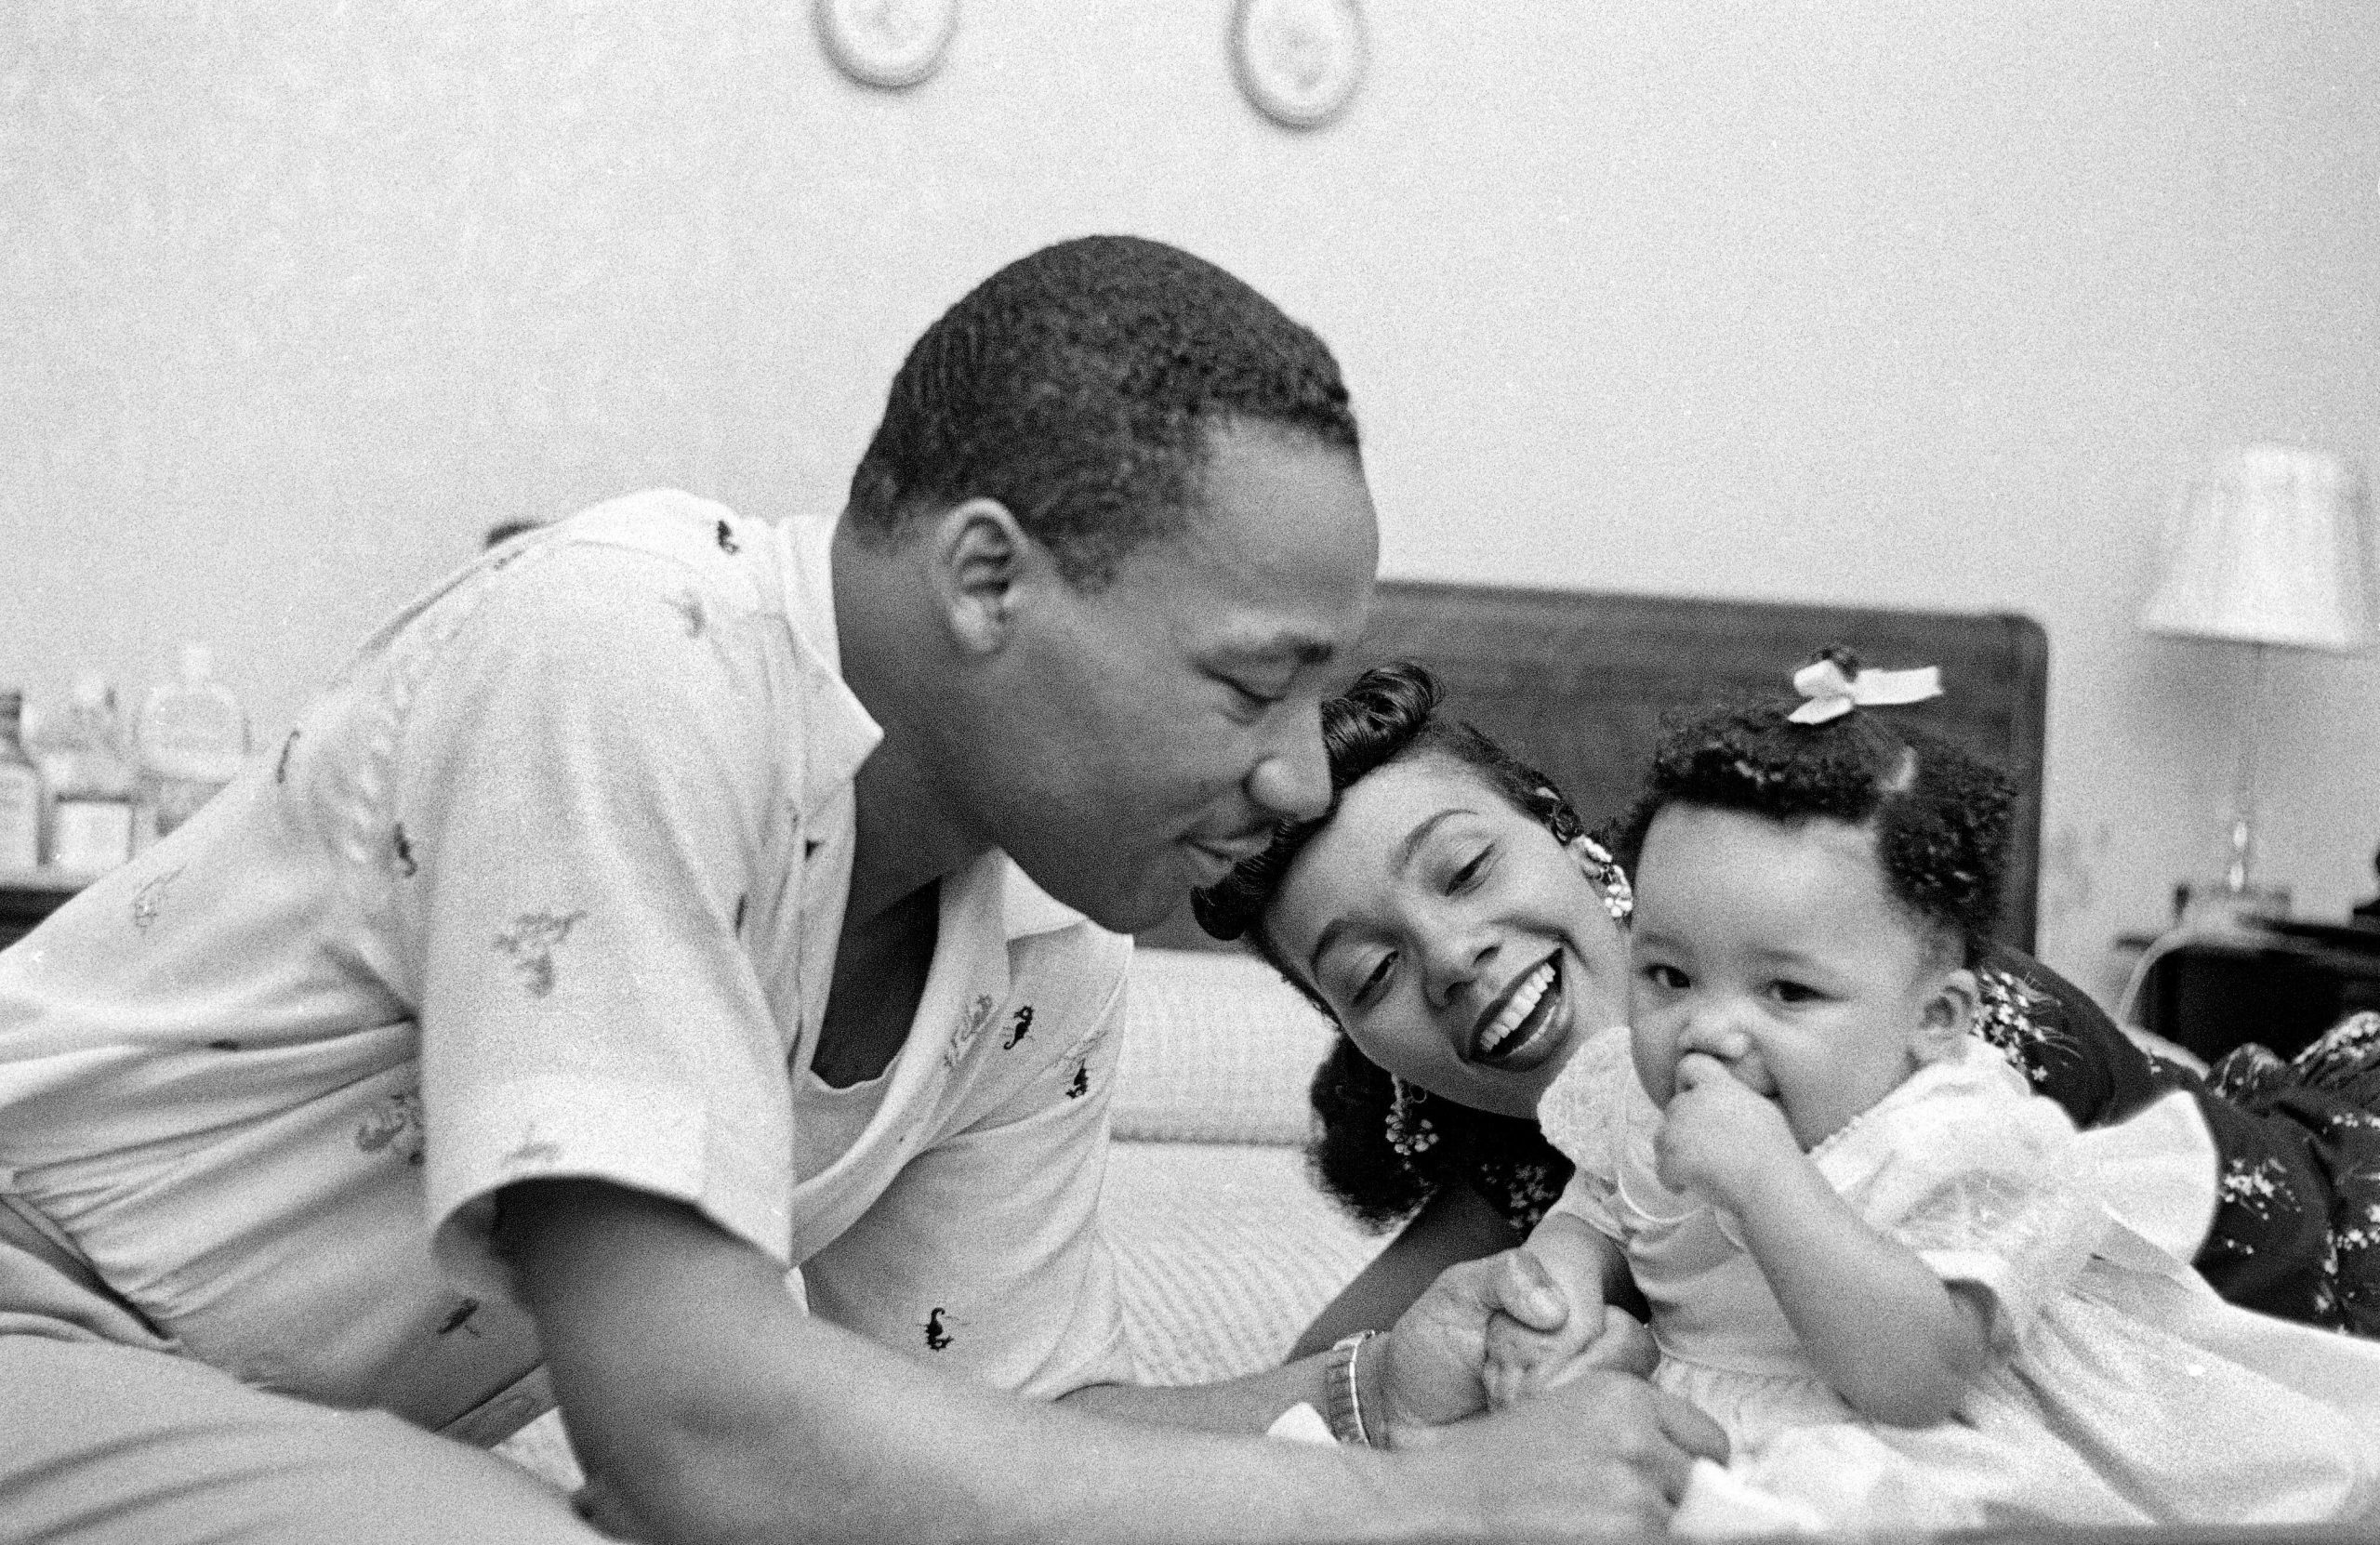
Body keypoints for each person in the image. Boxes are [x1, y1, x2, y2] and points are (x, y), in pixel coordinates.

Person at [0, 237, 1720, 1545]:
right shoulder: (630, 651)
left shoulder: (1044, 932)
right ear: (990, 577)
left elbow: (1025, 1434)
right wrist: (1428, 1513)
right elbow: (693, 1429)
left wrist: (1370, 1393)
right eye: (1247, 684)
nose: (1290, 776)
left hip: (278, 1428)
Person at [1192, 659, 2380, 1355]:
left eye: (1463, 871)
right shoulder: (1545, 1152)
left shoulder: (1934, 1051)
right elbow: (1325, 1380)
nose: (1450, 956)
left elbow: (1929, 1364)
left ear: (1573, 842)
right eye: (1371, 977)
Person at [1474, 673, 2380, 1532]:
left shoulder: (1950, 1136)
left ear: (1936, 1019)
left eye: (1786, 992)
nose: (1707, 1029)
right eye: (1669, 975)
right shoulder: (1638, 1095)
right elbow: (1601, 1205)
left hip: (1905, 1435)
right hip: (1707, 1404)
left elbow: (1914, 1377)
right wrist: (1557, 1281)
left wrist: (1767, 1184)